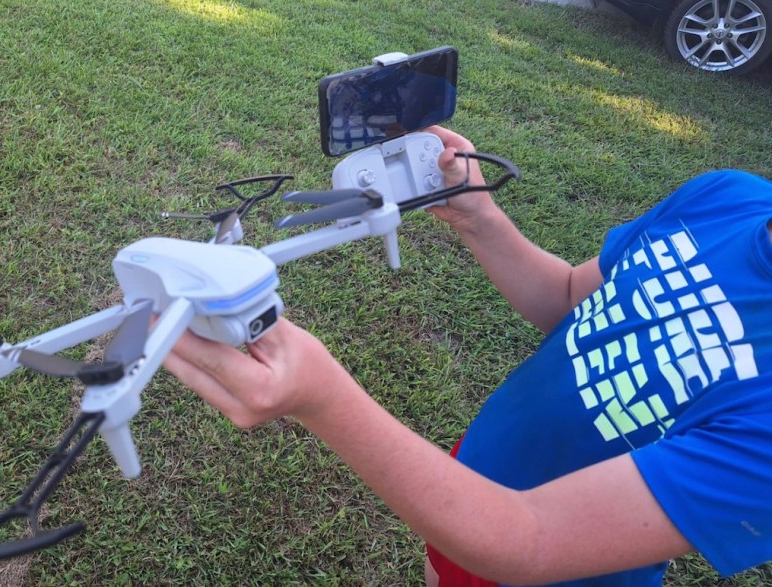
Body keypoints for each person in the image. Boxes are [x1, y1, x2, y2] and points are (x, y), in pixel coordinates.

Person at [163, 126, 772, 586]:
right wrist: (479, 216)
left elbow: (527, 539)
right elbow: (568, 299)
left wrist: (321, 399)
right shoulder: (729, 198)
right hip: (475, 471)